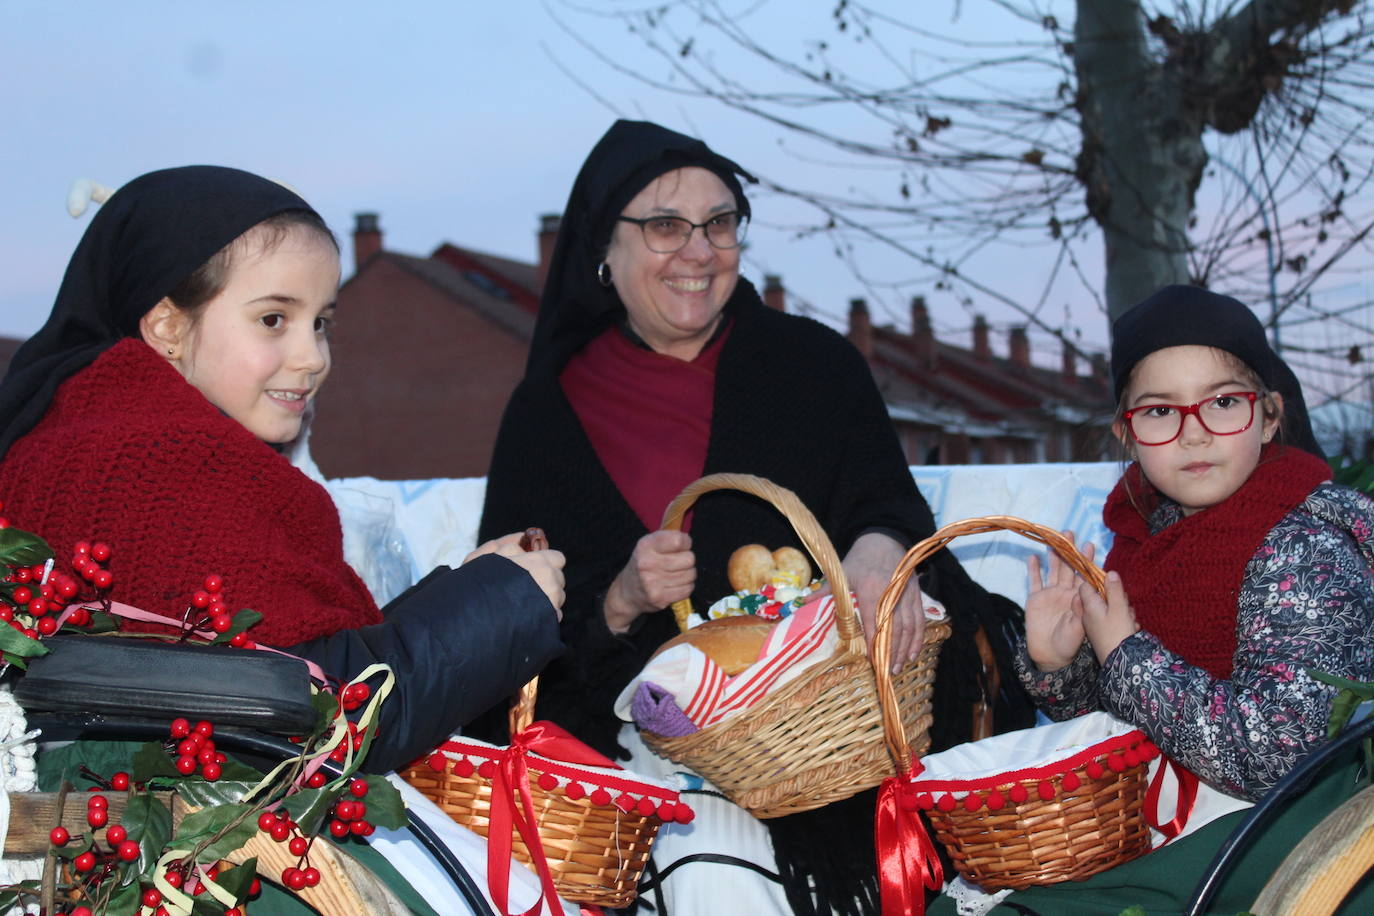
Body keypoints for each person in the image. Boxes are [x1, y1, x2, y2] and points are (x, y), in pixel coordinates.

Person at [474, 119, 1035, 916]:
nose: (699, 251)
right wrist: (620, 600)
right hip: (648, 758)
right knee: (712, 869)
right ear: (605, 248)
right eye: (666, 226)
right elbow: (503, 628)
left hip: (840, 743)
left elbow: (889, 501)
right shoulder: (546, 413)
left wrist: (882, 550)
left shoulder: (815, 365)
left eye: (721, 223)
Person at [0, 165, 566, 778]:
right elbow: (321, 718)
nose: (312, 357)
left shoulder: (69, 438)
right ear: (167, 326)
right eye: (274, 319)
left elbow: (274, 659)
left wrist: (470, 587)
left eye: (320, 322)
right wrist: (506, 604)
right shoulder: (170, 463)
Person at [935, 285, 1374, 914]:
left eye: (1223, 403)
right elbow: (1117, 718)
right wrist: (1061, 665)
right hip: (1169, 808)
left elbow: (1284, 752)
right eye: (1161, 412)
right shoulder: (1143, 538)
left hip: (1289, 827)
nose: (1194, 433)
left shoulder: (1303, 545)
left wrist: (1126, 653)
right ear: (1128, 431)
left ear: (1270, 415)